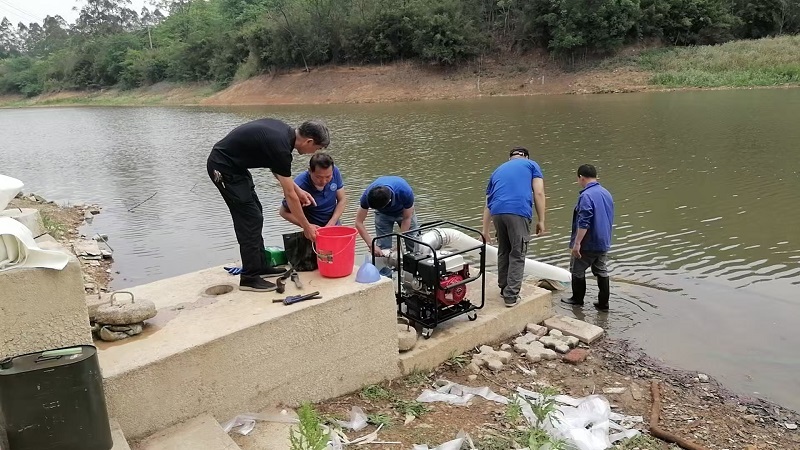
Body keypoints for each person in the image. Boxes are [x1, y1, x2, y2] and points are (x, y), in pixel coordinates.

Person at [207, 118, 330, 292]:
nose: (314, 152)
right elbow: (289, 195)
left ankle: (259, 266)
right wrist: (306, 226)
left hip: (236, 168)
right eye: (316, 148)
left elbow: (277, 169)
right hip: (223, 168)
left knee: (256, 213)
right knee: (250, 219)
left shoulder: (284, 135)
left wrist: (299, 191)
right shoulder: (281, 148)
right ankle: (249, 278)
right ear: (309, 141)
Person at [482, 146, 546, 307]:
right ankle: (511, 296)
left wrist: (485, 230)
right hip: (518, 211)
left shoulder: (497, 170)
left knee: (504, 250)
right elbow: (538, 192)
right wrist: (541, 220)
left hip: (497, 212)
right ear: (526, 156)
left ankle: (504, 288)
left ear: (510, 158)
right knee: (517, 253)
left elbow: (488, 202)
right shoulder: (531, 165)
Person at [562, 164, 615, 311]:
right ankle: (603, 304)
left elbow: (584, 221)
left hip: (588, 242)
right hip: (603, 240)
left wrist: (577, 243)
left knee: (577, 270)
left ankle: (577, 300)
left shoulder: (586, 196)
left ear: (581, 177)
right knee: (601, 270)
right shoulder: (606, 193)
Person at [355, 176, 419, 266]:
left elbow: (407, 218)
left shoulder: (405, 192)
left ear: (389, 201)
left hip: (403, 212)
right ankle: (385, 273)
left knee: (413, 244)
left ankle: (414, 269)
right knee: (382, 249)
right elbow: (358, 222)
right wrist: (371, 245)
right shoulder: (367, 196)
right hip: (383, 215)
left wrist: (399, 243)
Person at [279, 152, 347, 228]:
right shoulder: (299, 185)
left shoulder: (335, 172)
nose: (324, 181)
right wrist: (307, 226)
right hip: (315, 229)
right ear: (310, 171)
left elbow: (342, 200)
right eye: (318, 177)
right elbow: (283, 212)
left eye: (328, 177)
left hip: (334, 224)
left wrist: (332, 223)